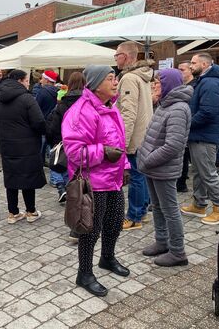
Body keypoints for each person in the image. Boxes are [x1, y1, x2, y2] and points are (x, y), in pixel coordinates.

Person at [62, 65, 130, 297]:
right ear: (96, 83)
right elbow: (74, 152)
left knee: (114, 223)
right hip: (93, 183)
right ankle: (85, 273)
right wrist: (102, 152)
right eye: (110, 78)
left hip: (114, 180)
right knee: (90, 231)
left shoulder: (111, 107)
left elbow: (119, 144)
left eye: (115, 78)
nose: (115, 82)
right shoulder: (81, 112)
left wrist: (126, 167)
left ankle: (107, 258)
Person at [138, 69, 192, 267]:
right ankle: (162, 241)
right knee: (158, 207)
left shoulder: (178, 109)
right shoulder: (164, 104)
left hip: (163, 168)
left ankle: (178, 252)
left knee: (170, 210)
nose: (154, 85)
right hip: (153, 167)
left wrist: (148, 159)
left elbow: (173, 145)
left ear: (169, 84)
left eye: (158, 83)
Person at [0, 69, 46, 224]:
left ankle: (13, 213)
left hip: (7, 145)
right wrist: (43, 133)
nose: (28, 83)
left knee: (11, 177)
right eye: (27, 80)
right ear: (20, 81)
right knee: (27, 177)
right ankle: (31, 211)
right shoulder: (27, 99)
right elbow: (39, 122)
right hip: (27, 145)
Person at [115, 41, 154, 230]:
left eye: (117, 55)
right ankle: (142, 212)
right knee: (142, 175)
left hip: (136, 137)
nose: (115, 59)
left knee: (137, 176)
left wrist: (123, 141)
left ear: (127, 56)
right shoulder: (143, 76)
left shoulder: (130, 78)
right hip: (145, 135)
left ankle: (134, 217)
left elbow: (127, 114)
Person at [181, 53, 219, 225]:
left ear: (204, 64)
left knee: (208, 173)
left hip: (205, 135)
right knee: (199, 171)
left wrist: (187, 123)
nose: (191, 66)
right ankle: (199, 204)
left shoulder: (210, 83)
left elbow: (208, 112)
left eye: (193, 63)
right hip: (200, 135)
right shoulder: (204, 81)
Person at [46, 72, 86, 242]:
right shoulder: (89, 103)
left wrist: (54, 141)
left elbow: (54, 127)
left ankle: (76, 221)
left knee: (71, 179)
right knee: (85, 182)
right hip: (86, 148)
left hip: (66, 144)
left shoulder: (62, 105)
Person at [176, 61, 196, 193]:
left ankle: (182, 183)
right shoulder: (181, 86)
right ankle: (181, 183)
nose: (179, 72)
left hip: (191, 126)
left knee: (186, 155)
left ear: (190, 70)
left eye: (182, 70)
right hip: (182, 125)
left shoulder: (194, 86)